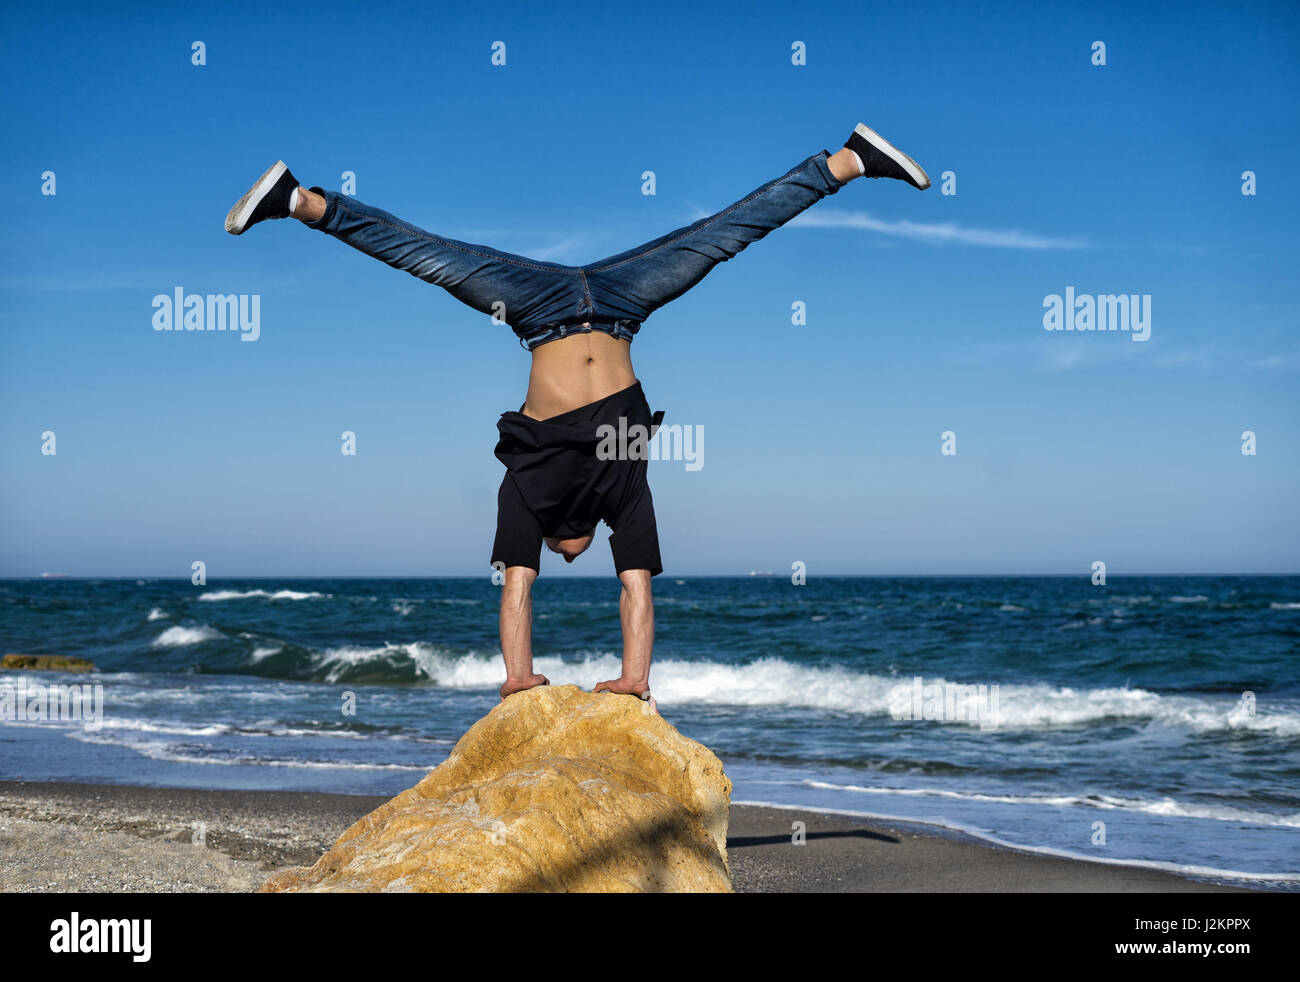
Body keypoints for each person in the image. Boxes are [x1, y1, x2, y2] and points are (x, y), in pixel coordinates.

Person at [224, 122, 930, 709]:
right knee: (722, 234)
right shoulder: (620, 484)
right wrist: (633, 682)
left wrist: (518, 678)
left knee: (433, 257)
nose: (574, 557)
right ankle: (848, 160)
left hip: (538, 309)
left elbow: (519, 590)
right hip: (621, 306)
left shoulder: (526, 490)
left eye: (569, 555)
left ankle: (301, 201)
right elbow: (637, 588)